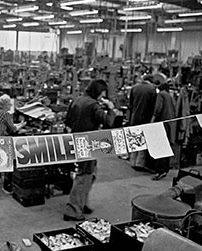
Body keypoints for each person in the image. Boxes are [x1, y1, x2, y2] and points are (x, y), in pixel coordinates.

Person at [63, 79, 117, 221]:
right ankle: (73, 211)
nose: (102, 96)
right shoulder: (93, 105)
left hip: (77, 141)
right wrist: (111, 108)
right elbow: (108, 122)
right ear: (98, 91)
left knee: (90, 173)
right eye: (103, 93)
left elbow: (67, 122)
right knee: (84, 175)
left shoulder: (77, 100)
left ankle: (81, 203)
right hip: (87, 143)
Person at [128, 75, 157, 171]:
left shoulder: (134, 88)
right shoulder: (152, 89)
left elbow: (130, 105)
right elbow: (153, 106)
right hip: (145, 118)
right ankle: (139, 163)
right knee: (143, 140)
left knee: (134, 139)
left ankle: (132, 161)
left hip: (134, 117)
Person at [150, 82, 176, 180]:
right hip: (170, 124)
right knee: (166, 147)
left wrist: (151, 122)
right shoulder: (170, 96)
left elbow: (158, 109)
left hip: (162, 124)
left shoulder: (161, 95)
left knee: (159, 147)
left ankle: (159, 172)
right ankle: (165, 169)